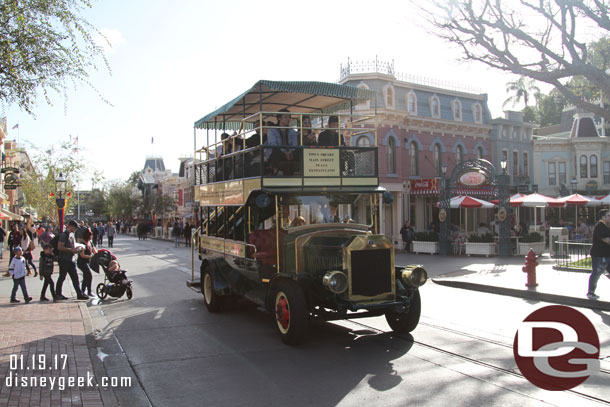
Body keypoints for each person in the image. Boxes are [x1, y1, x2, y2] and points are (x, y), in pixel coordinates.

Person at [56, 220, 88, 300]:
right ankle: (58, 294)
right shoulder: (64, 235)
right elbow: (60, 247)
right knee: (62, 277)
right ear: (70, 226)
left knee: (75, 277)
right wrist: (71, 250)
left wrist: (78, 248)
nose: (75, 229)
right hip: (64, 260)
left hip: (71, 259)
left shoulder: (72, 234)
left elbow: (73, 246)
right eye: (74, 227)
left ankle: (79, 294)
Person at [264, 109, 298, 175]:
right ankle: (275, 171)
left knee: (300, 150)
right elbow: (273, 144)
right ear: (279, 118)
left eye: (289, 117)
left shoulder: (292, 131)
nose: (288, 119)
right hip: (278, 153)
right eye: (285, 117)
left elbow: (295, 145)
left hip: (289, 154)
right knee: (276, 150)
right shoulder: (272, 131)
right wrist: (285, 152)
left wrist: (290, 152)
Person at [587, 209, 610, 299]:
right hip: (599, 255)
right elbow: (606, 240)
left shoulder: (606, 226)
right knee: (596, 273)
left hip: (607, 254)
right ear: (603, 217)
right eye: (609, 215)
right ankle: (591, 292)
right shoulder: (600, 226)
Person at [77, 229, 96, 297]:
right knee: (89, 276)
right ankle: (89, 291)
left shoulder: (90, 242)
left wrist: (98, 255)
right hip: (82, 262)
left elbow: (94, 251)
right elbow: (82, 255)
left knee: (86, 276)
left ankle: (83, 291)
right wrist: (91, 257)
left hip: (87, 262)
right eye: (91, 235)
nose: (92, 236)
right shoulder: (82, 243)